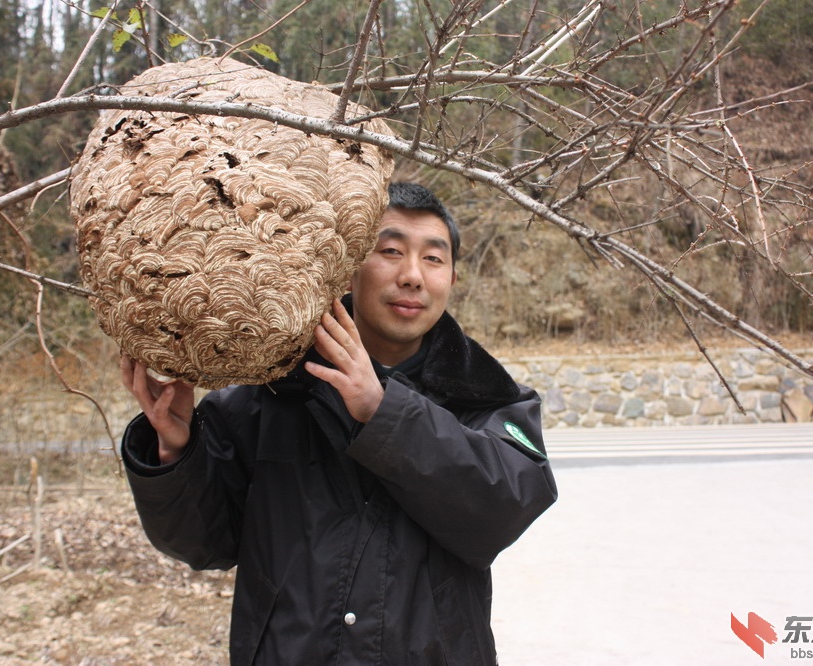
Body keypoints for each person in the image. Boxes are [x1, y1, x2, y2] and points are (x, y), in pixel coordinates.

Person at [120, 182, 558, 665]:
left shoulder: (490, 397)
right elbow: (202, 543)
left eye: (433, 258)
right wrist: (178, 448)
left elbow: (500, 514)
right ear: (345, 270)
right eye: (389, 251)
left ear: (452, 279)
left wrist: (382, 410)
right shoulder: (269, 392)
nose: (412, 275)